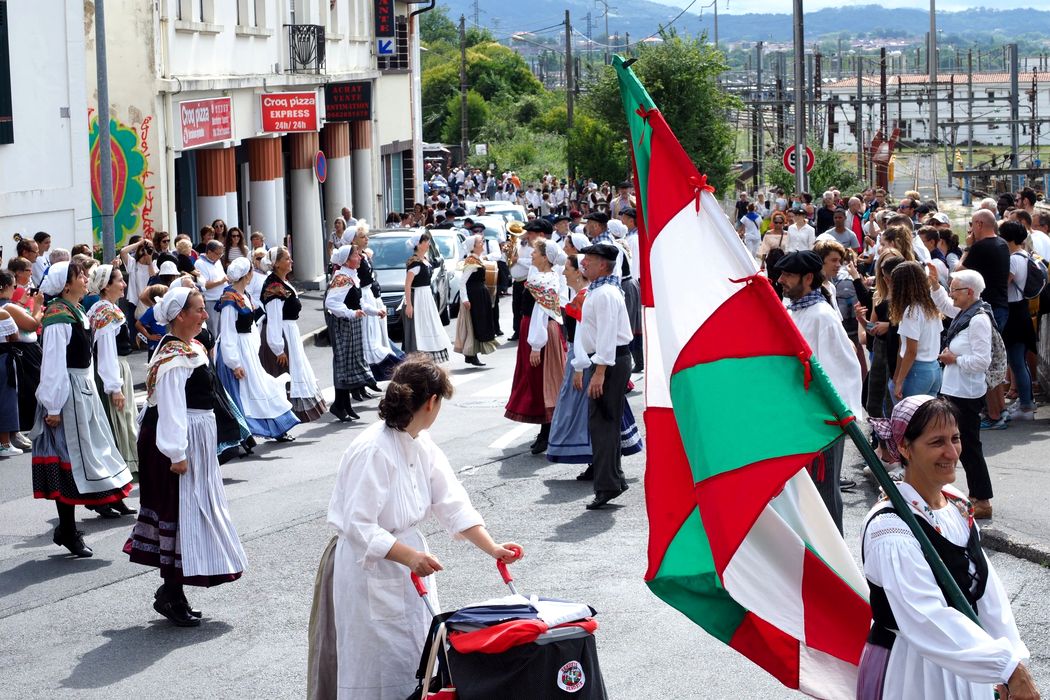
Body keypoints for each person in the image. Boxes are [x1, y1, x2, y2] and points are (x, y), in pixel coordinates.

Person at [321, 357, 524, 698]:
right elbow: (359, 525)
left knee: (417, 656)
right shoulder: (373, 449)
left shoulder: (420, 442)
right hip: (370, 568)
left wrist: (493, 548)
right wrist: (409, 557)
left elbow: (451, 501)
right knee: (378, 666)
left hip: (409, 565)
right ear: (431, 402)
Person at [859, 396, 1038, 700]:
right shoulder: (889, 529)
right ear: (905, 448)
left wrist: (1011, 659)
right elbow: (926, 618)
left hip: (970, 661)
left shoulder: (956, 503)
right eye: (937, 442)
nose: (952, 452)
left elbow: (987, 593)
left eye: (955, 438)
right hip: (913, 673)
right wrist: (1004, 666)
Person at [126, 286, 247, 627]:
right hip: (178, 440)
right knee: (179, 514)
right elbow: (170, 408)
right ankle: (171, 594)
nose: (205, 315)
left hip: (193, 436)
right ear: (180, 315)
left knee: (189, 512)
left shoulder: (188, 348)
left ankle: (173, 592)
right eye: (199, 310)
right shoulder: (174, 357)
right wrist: (176, 453)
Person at [30, 262, 133, 557]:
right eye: (80, 276)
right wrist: (53, 405)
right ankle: (67, 529)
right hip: (66, 394)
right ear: (66, 285)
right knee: (70, 461)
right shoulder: (58, 316)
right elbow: (53, 364)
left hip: (82, 391)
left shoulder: (75, 311)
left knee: (84, 458)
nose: (86, 278)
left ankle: (69, 527)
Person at [777, 251, 863, 532]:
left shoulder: (823, 317)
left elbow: (843, 370)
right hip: (799, 418)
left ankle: (835, 554)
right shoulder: (793, 310)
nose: (781, 280)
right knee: (804, 495)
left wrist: (833, 419)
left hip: (821, 421)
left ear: (808, 278)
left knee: (824, 493)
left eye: (788, 275)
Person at [547, 255, 643, 470]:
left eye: (568, 269)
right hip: (589, 358)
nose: (564, 273)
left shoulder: (592, 296)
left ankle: (605, 469)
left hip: (591, 359)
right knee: (601, 417)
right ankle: (606, 470)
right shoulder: (589, 294)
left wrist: (582, 366)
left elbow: (589, 335)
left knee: (598, 418)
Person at [928, 267, 998, 520]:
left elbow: (982, 361)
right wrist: (935, 285)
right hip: (956, 390)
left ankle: (982, 499)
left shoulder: (978, 319)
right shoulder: (967, 312)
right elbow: (946, 306)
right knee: (963, 445)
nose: (951, 294)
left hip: (966, 393)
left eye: (954, 289)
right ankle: (976, 496)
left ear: (969, 292)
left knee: (969, 446)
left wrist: (953, 359)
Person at [572, 244, 633, 510]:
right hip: (607, 361)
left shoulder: (606, 293)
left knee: (603, 425)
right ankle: (614, 479)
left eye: (589, 259)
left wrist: (599, 372)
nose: (584, 263)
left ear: (603, 265)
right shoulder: (601, 289)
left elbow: (607, 336)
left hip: (608, 362)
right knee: (606, 421)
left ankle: (608, 485)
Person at [215, 257, 299, 441]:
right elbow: (227, 331)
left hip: (247, 349)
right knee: (244, 393)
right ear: (247, 275)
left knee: (259, 388)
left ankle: (274, 429)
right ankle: (244, 435)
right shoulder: (230, 298)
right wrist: (234, 363)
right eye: (252, 271)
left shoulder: (244, 295)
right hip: (237, 350)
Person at [504, 240, 568, 454]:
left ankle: (547, 432)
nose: (531, 255)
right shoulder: (542, 276)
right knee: (537, 380)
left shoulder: (545, 280)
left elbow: (542, 314)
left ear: (545, 257)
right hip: (533, 330)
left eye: (535, 253)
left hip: (539, 332)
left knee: (543, 380)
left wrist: (536, 346)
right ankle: (546, 430)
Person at [86, 265, 141, 510]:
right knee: (117, 426)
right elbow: (107, 351)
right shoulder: (106, 312)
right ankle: (108, 494)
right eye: (120, 280)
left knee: (117, 426)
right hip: (113, 371)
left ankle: (114, 494)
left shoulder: (102, 309)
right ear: (106, 286)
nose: (124, 284)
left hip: (115, 370)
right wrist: (115, 387)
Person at [259, 247, 328, 423]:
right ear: (276, 264)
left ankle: (289, 416)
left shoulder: (282, 282)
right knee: (283, 375)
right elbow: (274, 319)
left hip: (289, 332)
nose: (291, 261)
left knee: (294, 371)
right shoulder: (274, 287)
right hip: (281, 334)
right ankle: (282, 418)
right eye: (287, 259)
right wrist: (278, 348)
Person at [324, 246, 374, 422]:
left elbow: (359, 302)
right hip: (343, 324)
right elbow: (331, 303)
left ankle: (343, 404)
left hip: (351, 322)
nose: (359, 257)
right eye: (355, 255)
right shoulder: (342, 278)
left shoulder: (351, 276)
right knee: (343, 362)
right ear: (346, 260)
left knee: (348, 362)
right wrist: (350, 313)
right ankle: (340, 404)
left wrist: (375, 312)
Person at [352, 223, 402, 382]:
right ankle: (374, 370)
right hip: (364, 297)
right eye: (362, 237)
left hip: (371, 296)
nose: (366, 239)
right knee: (369, 335)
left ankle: (383, 366)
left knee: (377, 333)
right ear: (353, 240)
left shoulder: (364, 256)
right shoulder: (354, 259)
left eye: (366, 236)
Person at [1000, 222, 1039, 422]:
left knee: (1016, 361)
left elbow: (1002, 284)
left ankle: (1026, 406)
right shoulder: (1024, 255)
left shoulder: (1013, 259)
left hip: (1014, 312)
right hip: (1020, 310)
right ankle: (1026, 401)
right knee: (1019, 361)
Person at [0, 264, 44, 442]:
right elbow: (32, 324)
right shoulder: (7, 308)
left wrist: (22, 303)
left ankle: (13, 433)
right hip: (20, 352)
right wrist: (38, 307)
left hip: (17, 352)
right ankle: (11, 436)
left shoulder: (10, 306)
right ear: (5, 287)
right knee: (15, 394)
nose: (15, 289)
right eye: (13, 286)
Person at [890, 261, 943, 402]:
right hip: (934, 369)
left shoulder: (911, 311)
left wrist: (899, 381)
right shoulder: (930, 306)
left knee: (908, 413)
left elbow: (911, 351)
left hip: (917, 372)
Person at [401, 232, 451, 363]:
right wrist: (409, 305)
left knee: (429, 324)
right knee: (420, 326)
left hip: (426, 296)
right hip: (418, 297)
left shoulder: (425, 260)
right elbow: (407, 285)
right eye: (426, 242)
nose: (428, 244)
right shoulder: (414, 263)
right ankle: (418, 357)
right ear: (419, 244)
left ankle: (428, 356)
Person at [454, 234, 499, 367]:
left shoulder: (477, 259)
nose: (483, 243)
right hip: (474, 296)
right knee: (473, 324)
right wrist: (465, 299)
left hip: (479, 294)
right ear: (473, 247)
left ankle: (471, 354)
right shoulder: (471, 261)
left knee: (478, 323)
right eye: (480, 242)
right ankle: (471, 354)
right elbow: (462, 282)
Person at [195, 240, 228, 339]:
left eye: (221, 254)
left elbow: (223, 277)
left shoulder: (217, 261)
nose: (220, 256)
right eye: (218, 254)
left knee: (222, 331)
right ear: (209, 252)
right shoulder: (200, 263)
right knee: (213, 331)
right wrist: (221, 281)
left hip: (222, 299)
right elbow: (204, 285)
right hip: (210, 301)